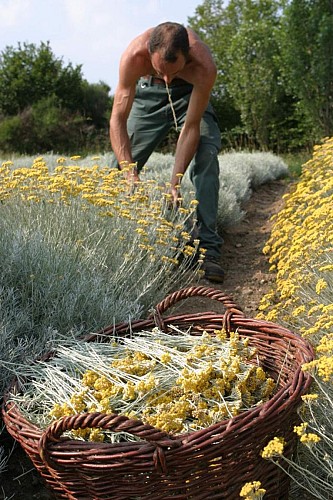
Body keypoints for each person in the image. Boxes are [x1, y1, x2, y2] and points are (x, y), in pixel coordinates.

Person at [109, 21, 224, 283]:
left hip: (190, 94)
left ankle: (208, 250)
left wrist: (175, 182)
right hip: (149, 93)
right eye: (161, 70)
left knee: (206, 154)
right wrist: (129, 173)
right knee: (119, 165)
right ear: (148, 55)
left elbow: (191, 126)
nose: (168, 79)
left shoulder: (204, 66)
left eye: (174, 71)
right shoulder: (133, 56)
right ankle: (117, 242)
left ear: (188, 56)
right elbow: (117, 120)